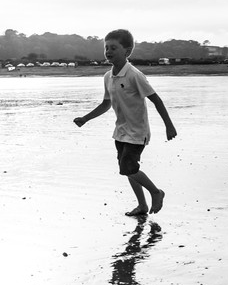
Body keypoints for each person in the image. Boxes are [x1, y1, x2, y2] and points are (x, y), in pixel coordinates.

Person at [74, 29, 177, 216]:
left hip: (137, 132)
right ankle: (142, 206)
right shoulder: (108, 77)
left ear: (127, 51)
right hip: (121, 131)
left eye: (113, 47)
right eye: (106, 48)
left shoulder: (134, 75)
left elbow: (156, 100)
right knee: (128, 170)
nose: (108, 51)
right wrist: (85, 118)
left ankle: (156, 192)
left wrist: (169, 126)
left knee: (128, 168)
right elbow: (106, 104)